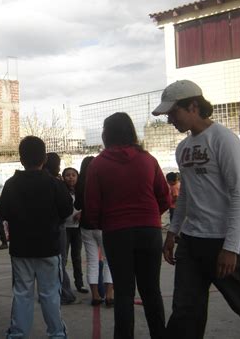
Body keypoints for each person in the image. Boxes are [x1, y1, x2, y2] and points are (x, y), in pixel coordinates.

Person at [152, 80, 240, 337]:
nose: (170, 120)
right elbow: (186, 194)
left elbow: (239, 195)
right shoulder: (183, 149)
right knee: (185, 311)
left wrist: (231, 247)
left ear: (193, 106)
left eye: (173, 113)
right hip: (192, 241)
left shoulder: (224, 139)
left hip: (224, 241)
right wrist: (173, 233)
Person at [84, 112, 170, 339]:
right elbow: (164, 197)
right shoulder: (148, 159)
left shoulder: (98, 164)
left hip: (116, 232)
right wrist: (150, 217)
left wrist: (107, 222)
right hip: (149, 232)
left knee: (123, 292)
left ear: (107, 134)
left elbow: (91, 207)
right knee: (151, 290)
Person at [0, 136, 73, 338]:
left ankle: (18, 334)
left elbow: (2, 211)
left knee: (22, 293)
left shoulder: (11, 184)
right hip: (48, 248)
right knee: (50, 294)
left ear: (21, 159)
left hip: (21, 249)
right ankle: (57, 334)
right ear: (44, 158)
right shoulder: (54, 184)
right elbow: (67, 210)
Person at [75, 156, 114, 306]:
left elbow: (78, 205)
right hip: (104, 224)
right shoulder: (104, 180)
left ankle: (96, 296)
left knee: (92, 261)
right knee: (109, 260)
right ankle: (109, 294)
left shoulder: (81, 184)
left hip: (86, 225)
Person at [43, 152, 77, 305]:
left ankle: (57, 292)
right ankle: (65, 292)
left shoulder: (42, 180)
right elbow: (67, 207)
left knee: (51, 262)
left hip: (45, 227)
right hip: (58, 226)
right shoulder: (56, 182)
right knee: (59, 261)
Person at [62, 167, 88, 294]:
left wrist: (82, 213)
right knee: (64, 257)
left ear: (77, 177)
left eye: (73, 175)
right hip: (64, 228)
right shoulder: (61, 191)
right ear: (63, 177)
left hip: (77, 228)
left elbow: (87, 205)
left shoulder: (81, 191)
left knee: (76, 257)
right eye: (67, 175)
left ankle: (80, 284)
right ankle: (62, 285)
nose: (71, 177)